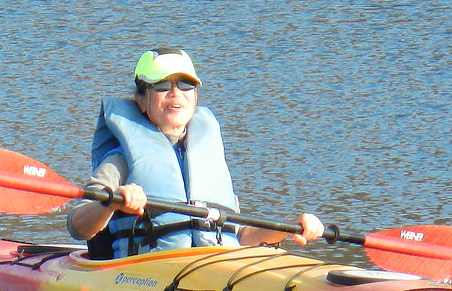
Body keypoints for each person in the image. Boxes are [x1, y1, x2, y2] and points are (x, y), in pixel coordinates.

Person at [67, 48, 323, 259]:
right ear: (142, 100)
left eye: (186, 84)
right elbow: (78, 226)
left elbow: (242, 236)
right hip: (146, 274)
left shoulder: (207, 159)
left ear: (195, 96)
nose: (176, 93)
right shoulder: (120, 159)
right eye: (162, 84)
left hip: (216, 268)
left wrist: (288, 228)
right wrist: (111, 201)